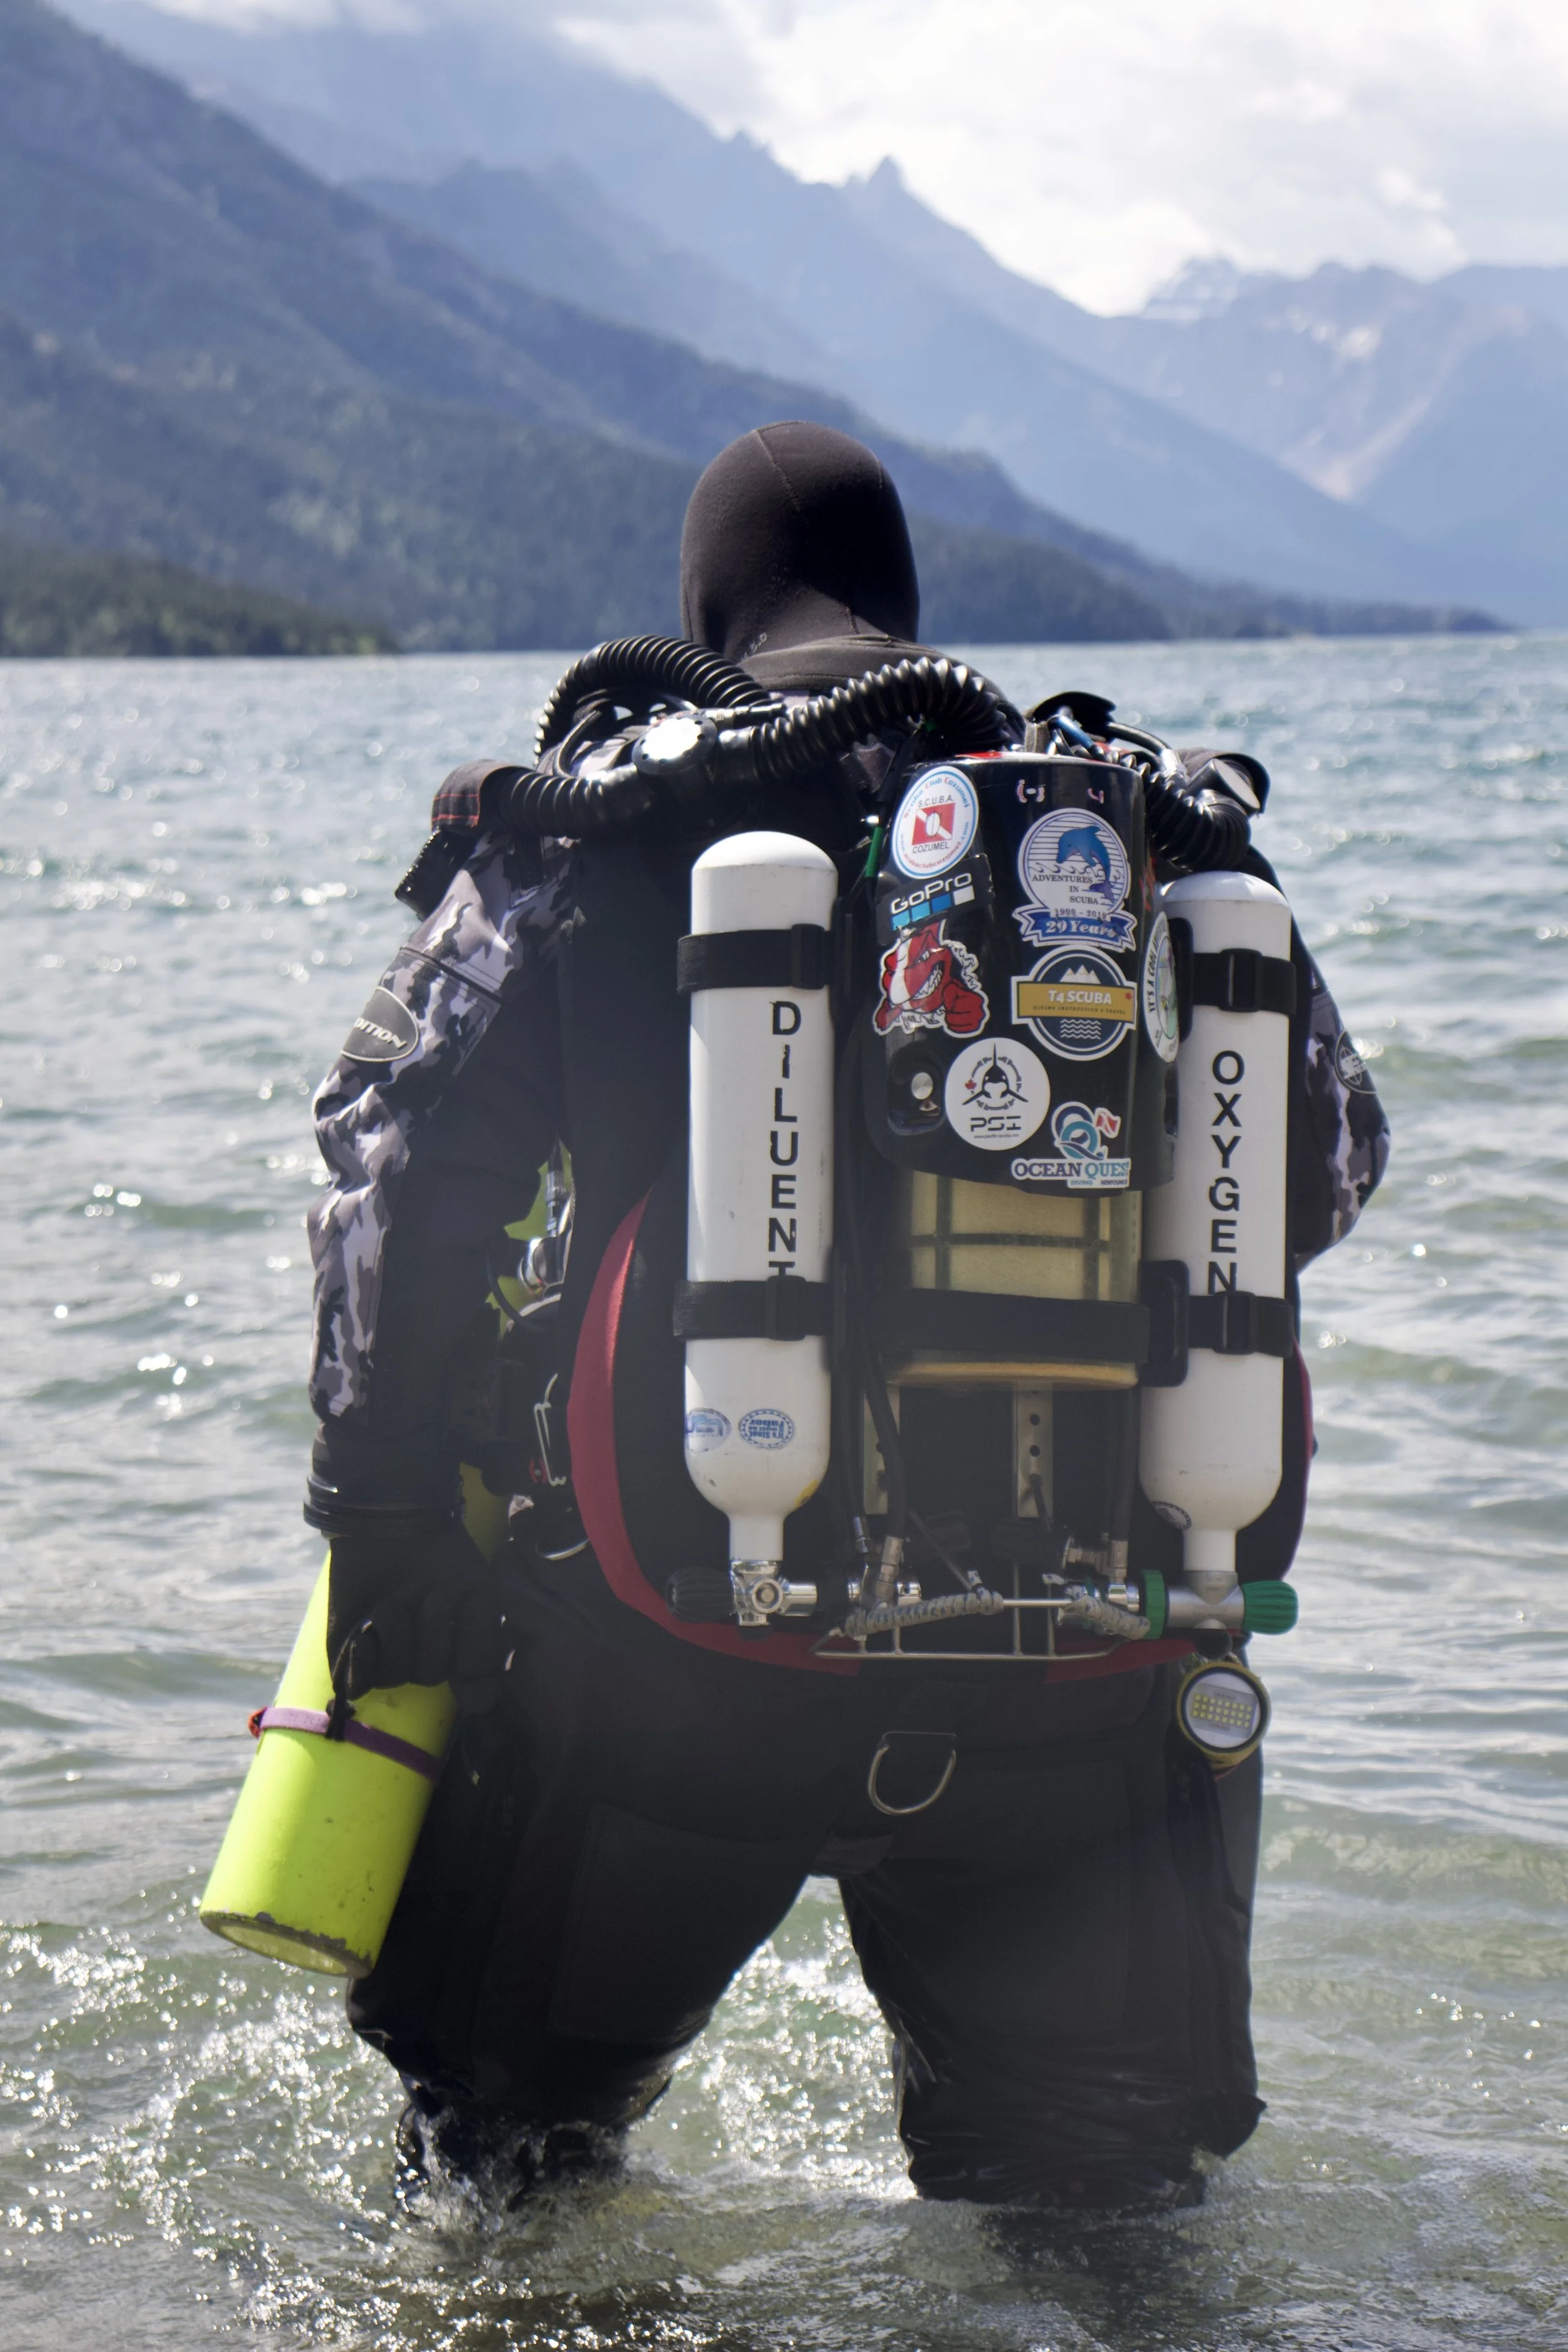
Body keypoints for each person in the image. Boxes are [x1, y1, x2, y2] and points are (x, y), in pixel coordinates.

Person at [303, 421, 1389, 2209]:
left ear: (705, 613)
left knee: (505, 2193)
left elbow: (393, 1155)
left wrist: (384, 1510)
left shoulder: (613, 801)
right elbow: (1320, 1163)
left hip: (665, 1659)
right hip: (1084, 1669)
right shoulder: (1109, 825)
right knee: (1093, 2228)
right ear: (903, 602)